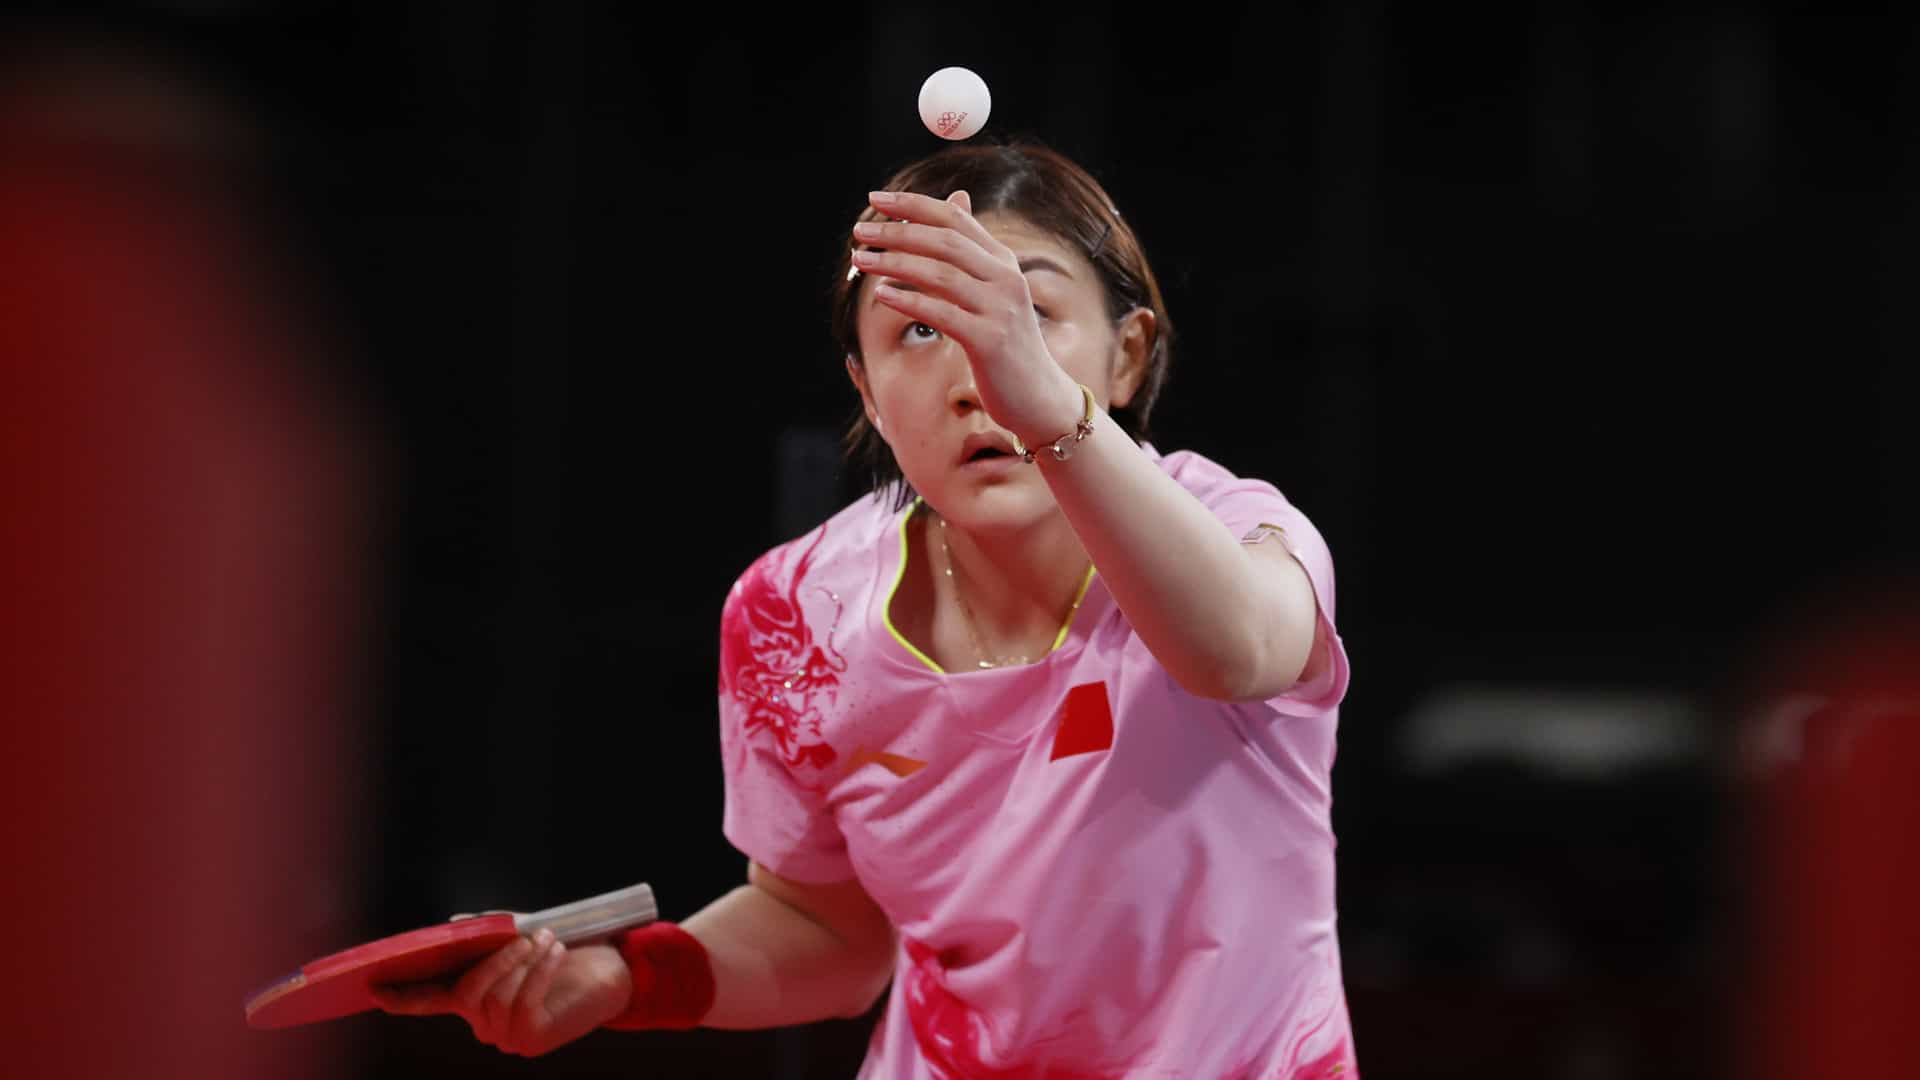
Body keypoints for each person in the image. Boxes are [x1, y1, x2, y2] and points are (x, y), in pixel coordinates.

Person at [378, 139, 1358, 1078]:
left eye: (1026, 315)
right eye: (920, 329)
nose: (980, 374)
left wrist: (1047, 407)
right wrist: (629, 978)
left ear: (1128, 356)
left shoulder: (1240, 531)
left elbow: (1235, 651)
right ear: (870, 394)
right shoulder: (797, 615)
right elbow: (828, 932)